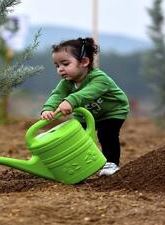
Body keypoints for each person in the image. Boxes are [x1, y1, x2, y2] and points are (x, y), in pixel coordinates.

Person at [40, 37, 130, 176]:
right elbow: (57, 95)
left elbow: (88, 93)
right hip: (85, 114)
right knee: (73, 135)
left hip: (111, 112)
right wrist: (48, 108)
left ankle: (111, 163)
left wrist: (70, 101)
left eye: (65, 63)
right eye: (57, 66)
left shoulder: (99, 79)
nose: (60, 69)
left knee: (106, 134)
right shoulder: (66, 83)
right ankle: (76, 165)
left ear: (84, 62)